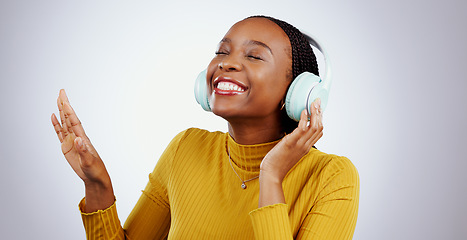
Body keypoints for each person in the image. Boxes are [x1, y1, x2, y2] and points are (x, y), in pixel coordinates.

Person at [51, 16, 359, 240]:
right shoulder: (186, 148)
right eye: (222, 52)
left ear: (299, 93)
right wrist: (97, 185)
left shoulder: (333, 177)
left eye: (254, 56)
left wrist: (272, 175)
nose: (227, 63)